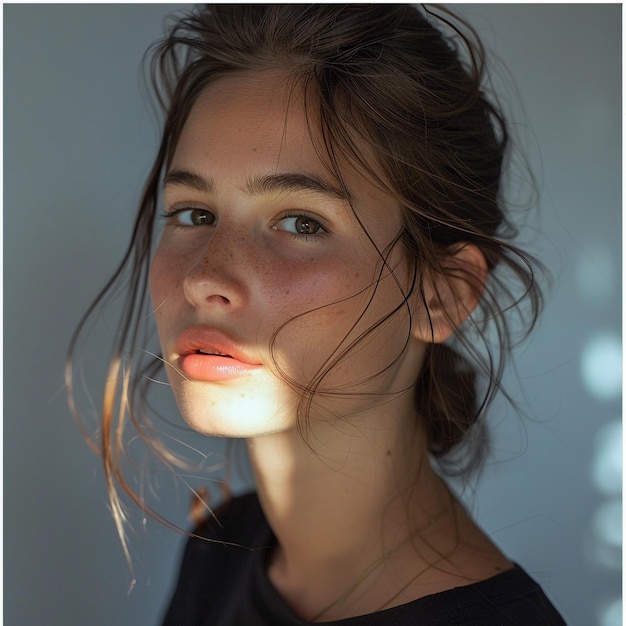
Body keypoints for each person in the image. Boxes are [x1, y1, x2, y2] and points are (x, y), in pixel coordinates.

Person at [68, 4, 566, 624]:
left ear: (443, 294)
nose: (204, 278)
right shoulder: (218, 553)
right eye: (194, 213)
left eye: (301, 223)